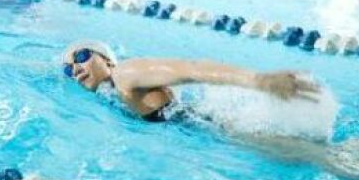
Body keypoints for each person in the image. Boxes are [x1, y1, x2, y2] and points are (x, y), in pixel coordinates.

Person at [61, 40, 320, 122]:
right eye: (68, 68)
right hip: (197, 128)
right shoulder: (112, 89)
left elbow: (192, 69)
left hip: (214, 131)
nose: (75, 68)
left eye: (81, 56)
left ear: (107, 60)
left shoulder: (125, 73)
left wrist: (260, 81)